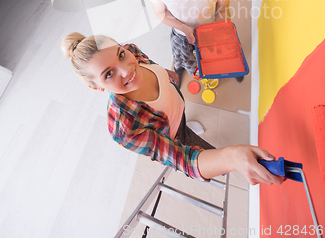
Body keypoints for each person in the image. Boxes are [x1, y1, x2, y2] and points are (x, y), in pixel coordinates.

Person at [61, 32, 284, 185]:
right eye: (108, 74)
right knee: (201, 147)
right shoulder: (124, 127)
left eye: (120, 55)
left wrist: (166, 74)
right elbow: (184, 160)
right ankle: (188, 132)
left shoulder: (131, 50)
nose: (126, 69)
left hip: (175, 105)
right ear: (96, 87)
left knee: (182, 113)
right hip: (174, 135)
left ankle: (185, 123)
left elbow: (145, 62)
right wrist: (232, 157)